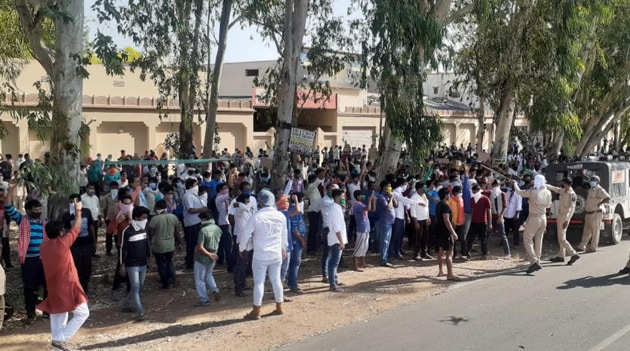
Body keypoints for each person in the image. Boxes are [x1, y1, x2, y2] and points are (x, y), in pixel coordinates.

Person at [38, 198, 89, 351]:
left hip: (53, 288)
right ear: (61, 233)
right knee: (82, 313)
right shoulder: (63, 243)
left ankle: (57, 346)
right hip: (68, 286)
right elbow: (77, 228)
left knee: (58, 320)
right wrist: (78, 210)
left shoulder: (43, 247)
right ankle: (59, 340)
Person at [4, 182, 48, 324]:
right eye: (36, 209)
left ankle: (47, 310)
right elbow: (8, 207)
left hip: (44, 259)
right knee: (29, 287)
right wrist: (11, 189)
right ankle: (30, 312)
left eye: (40, 209)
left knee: (47, 285)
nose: (38, 211)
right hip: (29, 260)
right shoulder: (22, 220)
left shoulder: (44, 222)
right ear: (28, 211)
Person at [241, 190, 287, 320]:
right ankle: (279, 307)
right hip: (276, 253)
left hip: (260, 254)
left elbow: (246, 234)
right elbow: (284, 234)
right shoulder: (280, 216)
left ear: (260, 202)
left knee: (259, 282)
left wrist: (242, 248)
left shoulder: (256, 216)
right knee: (276, 280)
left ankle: (257, 311)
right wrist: (283, 248)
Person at [512, 175, 552, 274]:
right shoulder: (548, 192)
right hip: (543, 217)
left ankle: (534, 261)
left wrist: (515, 184)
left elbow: (520, 192)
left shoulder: (533, 192)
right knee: (539, 239)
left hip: (534, 218)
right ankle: (537, 259)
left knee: (527, 238)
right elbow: (548, 205)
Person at [119, 206, 151, 320]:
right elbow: (122, 249)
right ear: (136, 217)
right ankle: (140, 311)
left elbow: (147, 244)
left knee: (138, 286)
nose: (145, 220)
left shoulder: (144, 229)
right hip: (132, 264)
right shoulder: (127, 231)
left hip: (143, 263)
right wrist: (122, 265)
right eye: (143, 217)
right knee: (136, 286)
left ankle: (126, 305)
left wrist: (149, 257)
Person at [62, 194, 96, 295]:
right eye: (71, 202)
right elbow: (66, 230)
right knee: (76, 265)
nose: (74, 203)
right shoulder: (67, 215)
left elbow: (91, 226)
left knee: (87, 265)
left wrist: (94, 241)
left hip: (87, 243)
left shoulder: (86, 212)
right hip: (74, 245)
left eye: (76, 201)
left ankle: (85, 284)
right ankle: (78, 286)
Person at [148, 200, 183, 290]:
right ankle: (173, 278)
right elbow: (177, 232)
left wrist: (148, 243)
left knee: (161, 264)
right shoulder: (173, 217)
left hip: (159, 245)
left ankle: (165, 283)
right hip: (170, 244)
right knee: (169, 262)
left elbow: (150, 234)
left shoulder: (155, 219)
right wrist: (179, 243)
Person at [546, 178, 580, 265]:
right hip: (560, 215)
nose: (562, 184)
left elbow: (572, 209)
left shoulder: (572, 194)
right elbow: (555, 189)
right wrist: (546, 185)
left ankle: (573, 253)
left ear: (567, 184)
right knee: (561, 236)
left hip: (565, 216)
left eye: (564, 183)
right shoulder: (563, 191)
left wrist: (567, 220)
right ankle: (561, 255)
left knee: (561, 238)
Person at [193, 211, 222, 306]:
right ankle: (215, 290)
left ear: (204, 219)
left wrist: (208, 254)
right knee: (208, 274)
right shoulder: (217, 228)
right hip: (214, 255)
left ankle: (204, 300)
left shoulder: (203, 230)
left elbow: (200, 247)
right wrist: (211, 254)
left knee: (199, 279)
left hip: (202, 257)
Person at [576, 175, 610, 253]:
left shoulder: (599, 190)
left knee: (595, 231)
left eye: (594, 180)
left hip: (596, 213)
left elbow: (607, 198)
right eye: (591, 180)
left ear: (598, 181)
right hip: (588, 213)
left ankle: (593, 247)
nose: (592, 181)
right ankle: (582, 246)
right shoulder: (591, 190)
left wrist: (600, 204)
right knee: (586, 231)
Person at [435, 188, 460, 280]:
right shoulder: (446, 206)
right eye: (449, 194)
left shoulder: (438, 205)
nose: (450, 196)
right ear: (446, 195)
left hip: (439, 230)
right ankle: (450, 274)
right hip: (446, 231)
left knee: (440, 251)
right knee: (449, 253)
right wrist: (453, 232)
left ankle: (440, 271)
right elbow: (446, 220)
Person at [327, 189, 348, 291]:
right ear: (337, 197)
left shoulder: (337, 208)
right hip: (336, 239)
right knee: (334, 262)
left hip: (338, 239)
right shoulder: (334, 209)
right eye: (342, 196)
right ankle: (332, 284)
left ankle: (335, 280)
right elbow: (336, 227)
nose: (343, 198)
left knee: (335, 261)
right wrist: (341, 241)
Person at [182, 178, 205, 270]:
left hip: (197, 221)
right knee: (191, 244)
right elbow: (190, 210)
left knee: (196, 242)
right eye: (196, 184)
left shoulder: (194, 195)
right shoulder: (188, 196)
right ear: (191, 186)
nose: (197, 186)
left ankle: (194, 260)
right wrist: (202, 210)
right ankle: (189, 262)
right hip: (191, 223)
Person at [466, 184, 492, 260]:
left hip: (483, 222)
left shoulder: (485, 199)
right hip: (473, 222)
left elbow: (489, 212)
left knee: (483, 239)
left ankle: (484, 254)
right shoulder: (472, 199)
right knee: (470, 238)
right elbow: (471, 211)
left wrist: (490, 224)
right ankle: (468, 253)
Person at [352, 190, 376, 271]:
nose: (363, 196)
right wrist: (369, 200)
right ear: (358, 196)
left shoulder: (362, 204)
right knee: (358, 246)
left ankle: (363, 262)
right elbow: (368, 208)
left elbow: (373, 209)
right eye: (361, 195)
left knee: (364, 247)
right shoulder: (356, 205)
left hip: (366, 228)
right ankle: (355, 265)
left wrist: (373, 201)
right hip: (361, 228)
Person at [81, 184, 101, 257]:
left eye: (93, 188)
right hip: (86, 221)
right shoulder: (82, 197)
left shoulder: (96, 198)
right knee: (87, 235)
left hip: (95, 219)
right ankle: (87, 252)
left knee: (94, 235)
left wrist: (100, 218)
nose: (91, 190)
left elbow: (98, 207)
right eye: (90, 188)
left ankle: (93, 252)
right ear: (87, 189)